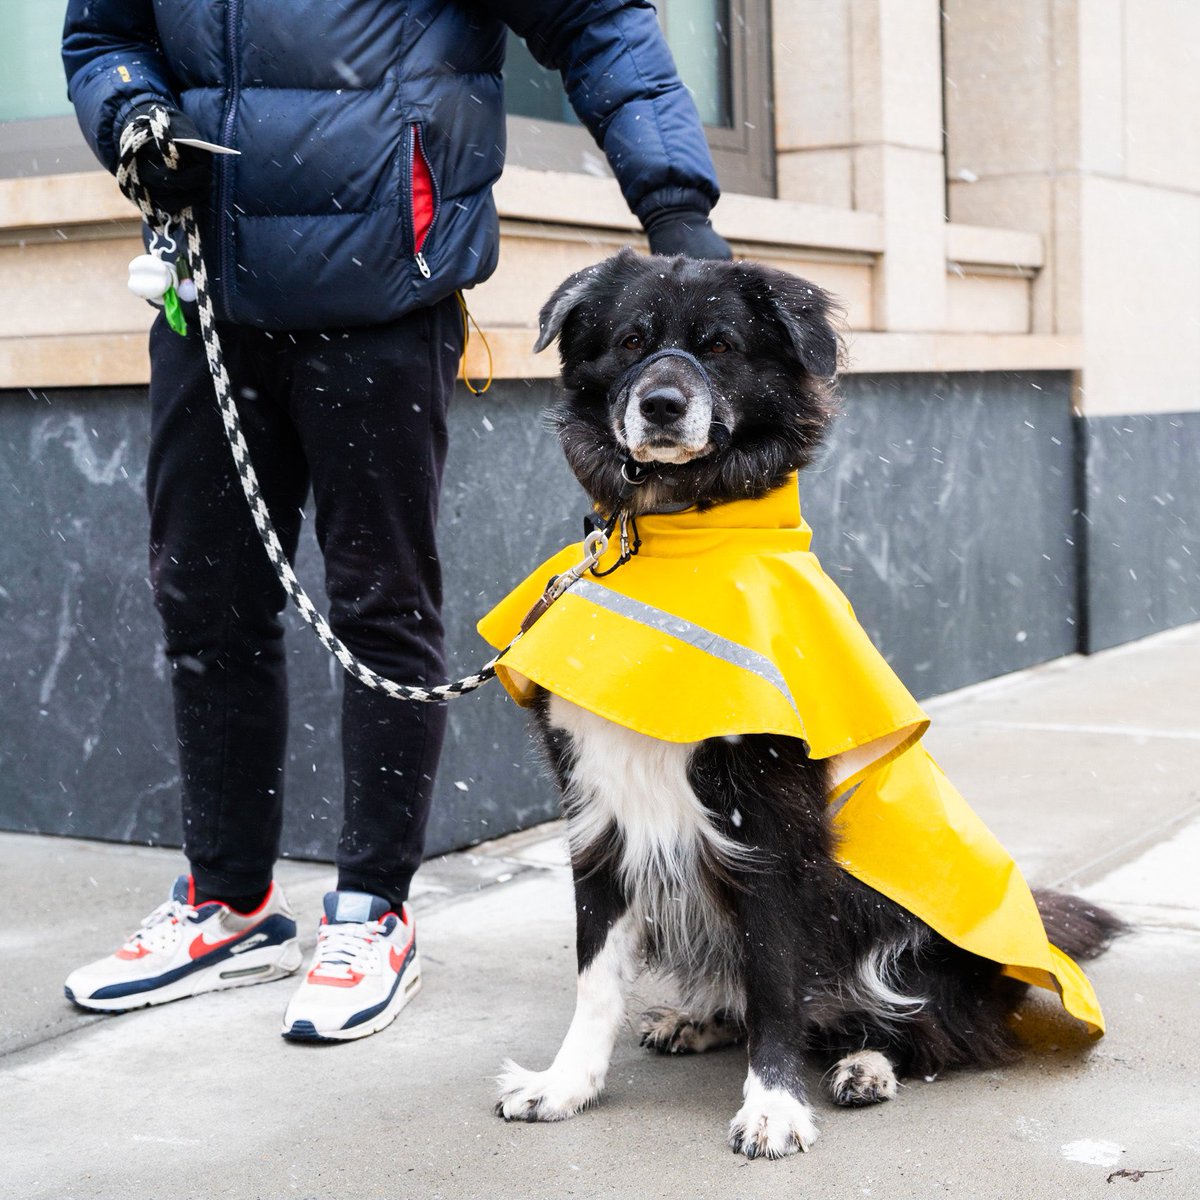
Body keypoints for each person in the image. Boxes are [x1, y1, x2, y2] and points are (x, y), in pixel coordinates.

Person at [60, 0, 732, 1041]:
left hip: (382, 294)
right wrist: (131, 112)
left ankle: (374, 910)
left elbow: (596, 19)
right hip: (207, 294)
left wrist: (676, 206)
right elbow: (102, 35)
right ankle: (228, 905)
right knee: (205, 601)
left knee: (381, 603)